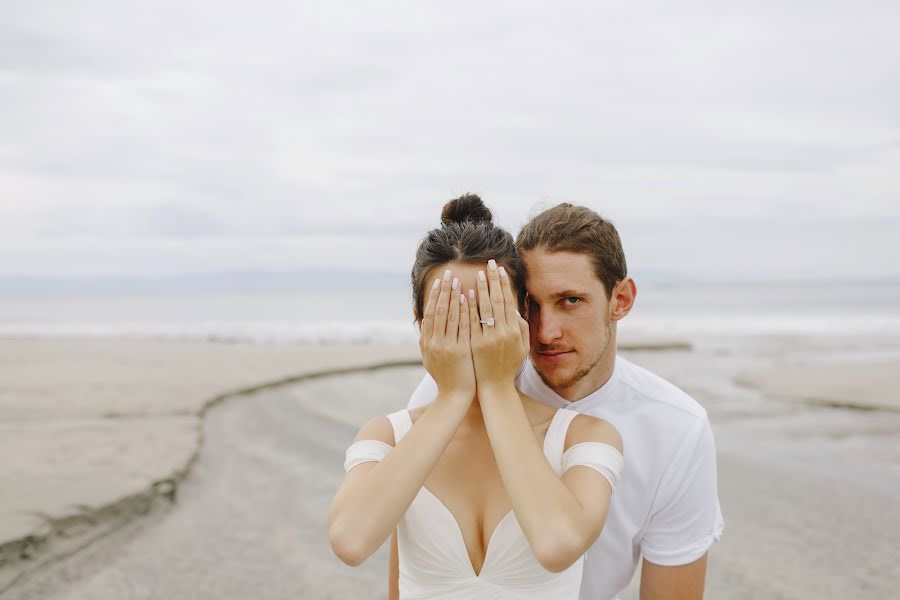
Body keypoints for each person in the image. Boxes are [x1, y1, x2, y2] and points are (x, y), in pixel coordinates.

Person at [403, 202, 724, 599]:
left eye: (570, 301)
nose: (545, 331)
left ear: (621, 300)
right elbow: (411, 570)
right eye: (530, 305)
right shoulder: (450, 394)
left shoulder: (677, 428)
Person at [328, 195, 625, 599]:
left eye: (489, 313)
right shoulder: (389, 435)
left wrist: (497, 385)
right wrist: (451, 396)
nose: (471, 333)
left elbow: (557, 544)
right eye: (450, 314)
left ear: (522, 316)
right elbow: (351, 540)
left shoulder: (585, 436)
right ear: (420, 322)